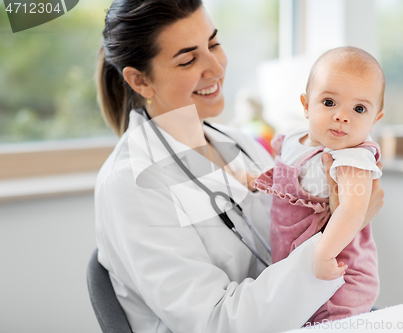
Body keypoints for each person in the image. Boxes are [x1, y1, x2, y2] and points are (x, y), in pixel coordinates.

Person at [94, 0, 385, 332]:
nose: (216, 68)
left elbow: (290, 224)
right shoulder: (131, 184)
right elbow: (217, 322)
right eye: (188, 59)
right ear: (141, 81)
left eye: (214, 43)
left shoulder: (239, 144)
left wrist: (342, 214)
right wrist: (338, 233)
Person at [254, 47, 385, 324]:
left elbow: (352, 209)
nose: (342, 116)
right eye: (329, 102)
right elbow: (280, 176)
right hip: (299, 266)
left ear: (375, 119)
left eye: (359, 108)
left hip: (339, 280)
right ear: (305, 104)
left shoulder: (352, 156)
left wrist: (325, 254)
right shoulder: (294, 139)